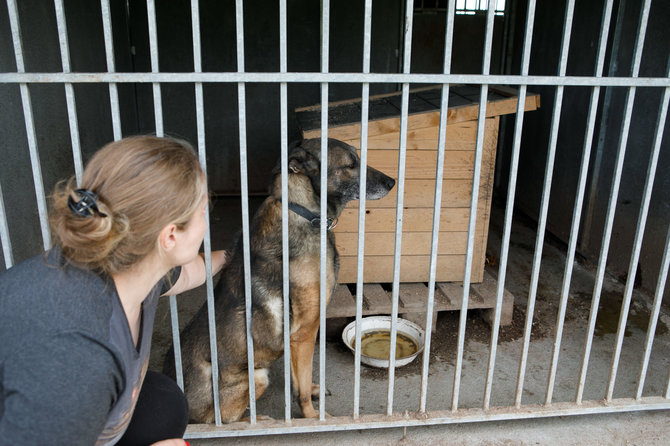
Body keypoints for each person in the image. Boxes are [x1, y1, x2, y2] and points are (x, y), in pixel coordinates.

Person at [0, 135, 228, 445]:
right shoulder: (78, 357)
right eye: (203, 209)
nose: (207, 220)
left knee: (162, 406)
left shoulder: (125, 257)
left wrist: (241, 256)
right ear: (170, 236)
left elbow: (188, 273)